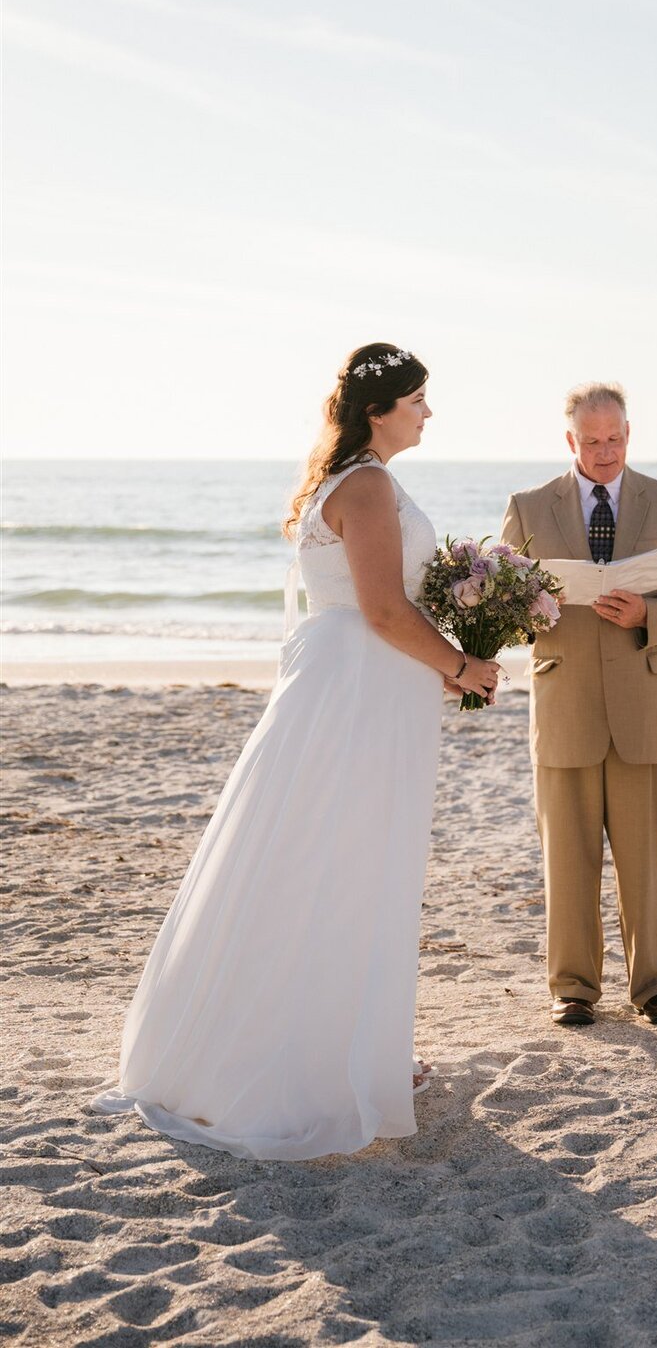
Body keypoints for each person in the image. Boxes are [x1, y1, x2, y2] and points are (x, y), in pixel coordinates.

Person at [91, 343, 499, 1159]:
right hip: (358, 692)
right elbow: (383, 610)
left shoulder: (346, 477)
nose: (429, 412)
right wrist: (462, 666)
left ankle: (352, 1043)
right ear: (381, 409)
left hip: (349, 685)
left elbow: (371, 607)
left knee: (323, 860)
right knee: (350, 863)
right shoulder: (372, 484)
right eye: (419, 399)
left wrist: (444, 662)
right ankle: (329, 1063)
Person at [500, 382, 657, 1028]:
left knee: (647, 858)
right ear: (571, 441)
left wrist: (650, 612)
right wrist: (530, 609)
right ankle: (573, 988)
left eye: (616, 439)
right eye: (592, 441)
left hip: (644, 707)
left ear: (630, 433)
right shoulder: (529, 506)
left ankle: (656, 986)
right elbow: (502, 613)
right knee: (566, 858)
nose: (605, 452)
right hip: (565, 703)